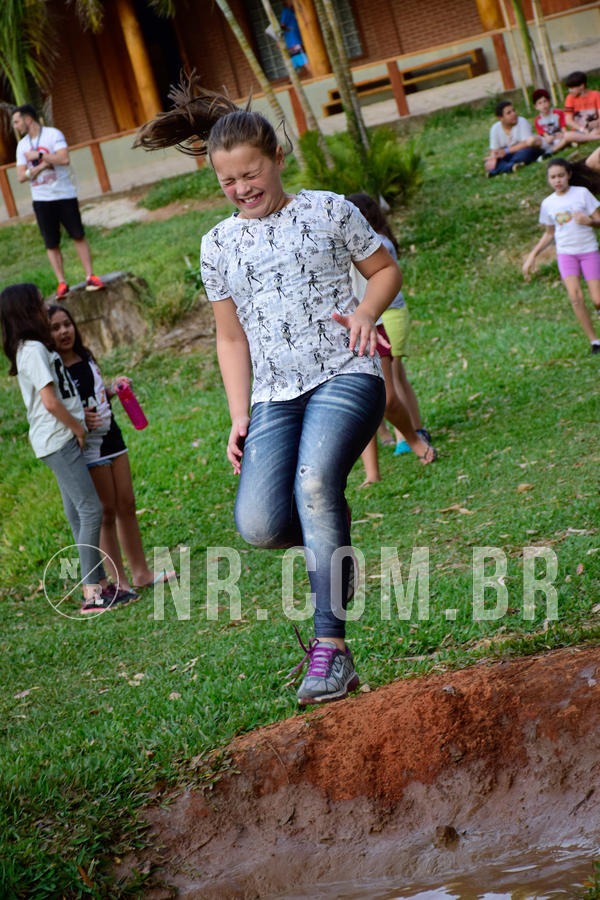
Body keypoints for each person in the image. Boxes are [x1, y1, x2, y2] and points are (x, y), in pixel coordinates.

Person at [134, 78, 436, 705]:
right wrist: (238, 415)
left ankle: (333, 652)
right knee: (260, 524)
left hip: (345, 375)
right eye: (228, 183)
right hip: (274, 394)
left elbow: (385, 270)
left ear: (276, 157)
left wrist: (366, 315)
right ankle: (334, 547)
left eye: (250, 174)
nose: (242, 189)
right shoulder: (217, 244)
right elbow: (230, 340)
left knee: (315, 485)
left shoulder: (328, 209)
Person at [0, 283, 128, 614]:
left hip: (58, 438)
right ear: (27, 311)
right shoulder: (32, 350)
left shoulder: (35, 347)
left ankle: (101, 586)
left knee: (77, 512)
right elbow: (49, 401)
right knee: (91, 510)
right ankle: (92, 595)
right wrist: (77, 428)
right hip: (58, 439)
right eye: (40, 303)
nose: (46, 307)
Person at [48, 305, 175, 592]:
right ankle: (120, 581)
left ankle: (141, 572)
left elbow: (95, 391)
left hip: (112, 438)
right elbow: (60, 406)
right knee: (106, 512)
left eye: (67, 324)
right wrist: (81, 419)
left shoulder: (86, 356)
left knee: (127, 505)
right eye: (55, 328)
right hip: (88, 446)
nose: (64, 331)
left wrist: (113, 389)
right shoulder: (55, 369)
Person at [347, 193, 433, 485]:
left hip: (377, 323)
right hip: (341, 333)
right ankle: (372, 472)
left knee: (386, 394)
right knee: (359, 403)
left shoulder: (372, 244)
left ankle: (412, 436)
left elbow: (388, 275)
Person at [11, 105, 104, 300]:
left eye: (17, 121)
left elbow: (64, 158)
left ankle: (90, 275)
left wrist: (41, 157)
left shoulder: (53, 135)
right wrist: (39, 168)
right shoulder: (22, 146)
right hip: (41, 199)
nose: (15, 126)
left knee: (78, 234)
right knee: (51, 243)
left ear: (28, 120)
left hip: (64, 194)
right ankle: (62, 282)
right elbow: (20, 176)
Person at [522, 158, 600, 354]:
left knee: (597, 299)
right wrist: (533, 255)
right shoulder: (548, 203)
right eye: (553, 177)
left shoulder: (582, 194)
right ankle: (594, 341)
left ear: (569, 175)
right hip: (566, 254)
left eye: (561, 176)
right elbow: (549, 233)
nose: (557, 180)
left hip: (588, 251)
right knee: (575, 297)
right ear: (549, 180)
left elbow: (598, 220)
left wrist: (589, 222)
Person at [484, 101, 542, 176]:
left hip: (524, 151)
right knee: (488, 162)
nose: (514, 114)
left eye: (514, 110)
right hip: (508, 155)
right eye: (509, 113)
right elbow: (495, 150)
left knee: (525, 153)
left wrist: (506, 151)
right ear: (501, 118)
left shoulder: (522, 122)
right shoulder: (495, 128)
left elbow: (527, 143)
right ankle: (512, 167)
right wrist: (493, 158)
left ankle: (500, 169)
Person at [563, 71, 600, 141]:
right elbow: (569, 120)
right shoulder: (570, 98)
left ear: (581, 86)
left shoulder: (596, 95)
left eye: (572, 88)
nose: (569, 91)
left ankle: (585, 138)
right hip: (579, 130)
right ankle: (594, 137)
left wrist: (598, 121)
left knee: (597, 130)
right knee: (567, 135)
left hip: (596, 128)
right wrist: (583, 129)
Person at [280, 0, 311, 77]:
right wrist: (287, 30)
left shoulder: (294, 10)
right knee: (300, 56)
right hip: (292, 39)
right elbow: (282, 25)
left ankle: (294, 78)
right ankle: (311, 72)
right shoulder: (286, 10)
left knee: (295, 58)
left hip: (295, 38)